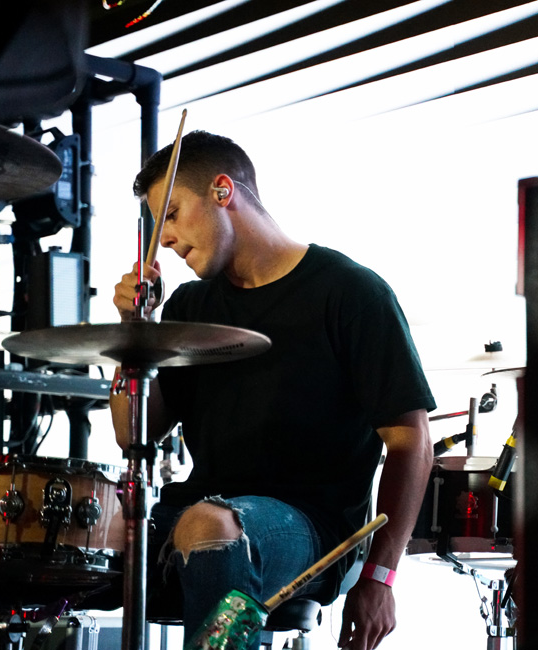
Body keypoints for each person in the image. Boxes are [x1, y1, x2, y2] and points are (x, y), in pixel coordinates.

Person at [110, 131, 435, 650]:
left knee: (208, 525)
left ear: (222, 191)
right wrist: (135, 334)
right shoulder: (191, 305)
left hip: (313, 525)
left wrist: (380, 576)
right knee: (67, 538)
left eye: (170, 214)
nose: (164, 239)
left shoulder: (350, 292)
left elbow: (411, 442)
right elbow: (135, 432)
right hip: (197, 509)